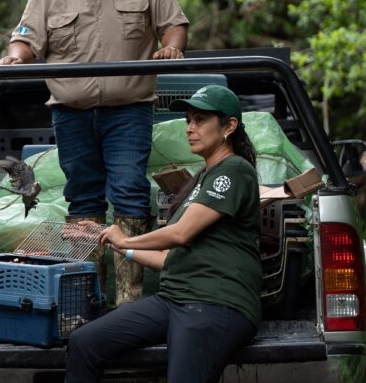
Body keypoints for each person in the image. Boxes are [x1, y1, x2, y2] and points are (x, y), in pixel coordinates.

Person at [0, 0, 189, 303]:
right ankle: (89, 299)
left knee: (130, 192)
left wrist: (171, 46)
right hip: (72, 112)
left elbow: (172, 25)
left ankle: (129, 299)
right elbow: (25, 39)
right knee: (82, 198)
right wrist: (14, 57)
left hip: (128, 110)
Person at [65, 85, 261, 383]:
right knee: (84, 343)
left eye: (200, 120)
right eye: (188, 120)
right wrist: (110, 239)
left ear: (229, 126)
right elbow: (169, 258)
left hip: (215, 304)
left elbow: (179, 234)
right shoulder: (204, 177)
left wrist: (125, 238)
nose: (190, 129)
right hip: (174, 299)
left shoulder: (234, 170)